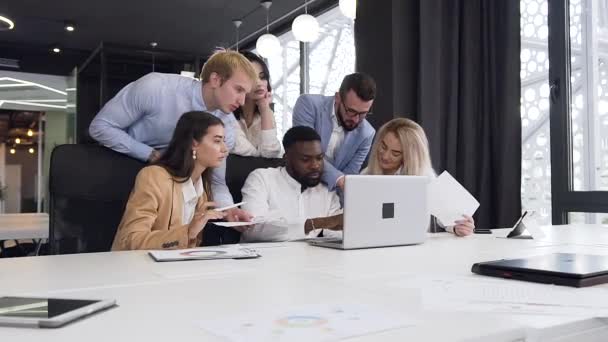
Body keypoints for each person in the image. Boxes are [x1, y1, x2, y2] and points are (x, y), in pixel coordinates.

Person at [89, 50, 257, 222]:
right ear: (215, 80)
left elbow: (216, 182)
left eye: (246, 93)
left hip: (169, 188)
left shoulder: (226, 127)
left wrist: (230, 211)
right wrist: (151, 154)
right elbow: (100, 127)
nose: (243, 101)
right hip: (119, 166)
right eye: (238, 90)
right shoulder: (155, 88)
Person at [112, 111, 236, 251]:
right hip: (138, 268)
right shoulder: (153, 177)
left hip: (174, 269)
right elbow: (131, 240)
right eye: (217, 141)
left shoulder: (202, 189)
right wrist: (188, 232)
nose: (225, 149)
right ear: (194, 143)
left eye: (224, 141)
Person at [363, 118, 475, 237]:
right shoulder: (365, 174)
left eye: (395, 153)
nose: (385, 156)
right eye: (383, 147)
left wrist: (461, 227)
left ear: (409, 156)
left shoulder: (425, 177)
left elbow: (451, 219)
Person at [240, 126, 343, 242]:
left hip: (311, 258)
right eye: (305, 159)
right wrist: (313, 224)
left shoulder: (326, 190)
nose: (315, 165)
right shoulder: (261, 179)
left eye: (319, 158)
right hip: (265, 257)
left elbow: (335, 231)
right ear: (286, 159)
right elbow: (252, 229)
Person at [292, 72, 376, 191]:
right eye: (351, 111)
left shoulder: (367, 134)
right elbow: (307, 153)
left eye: (363, 114)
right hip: (297, 186)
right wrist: (338, 179)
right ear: (338, 98)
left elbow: (349, 177)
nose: (356, 120)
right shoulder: (308, 105)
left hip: (331, 196)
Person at [232, 51, 282, 158]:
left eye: (262, 77)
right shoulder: (226, 114)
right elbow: (254, 156)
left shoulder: (266, 114)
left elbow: (271, 153)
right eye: (252, 77)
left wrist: (265, 109)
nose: (259, 83)